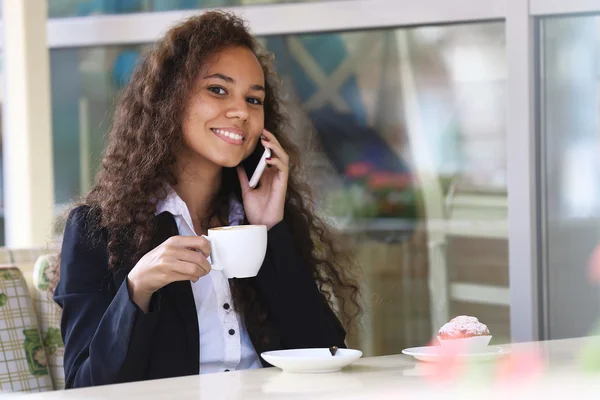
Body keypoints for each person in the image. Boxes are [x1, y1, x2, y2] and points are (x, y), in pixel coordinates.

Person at [53, 11, 361, 388]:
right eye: (218, 90)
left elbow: (325, 352)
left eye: (254, 99)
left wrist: (271, 231)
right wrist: (137, 290)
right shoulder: (94, 231)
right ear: (171, 99)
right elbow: (85, 388)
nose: (240, 112)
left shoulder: (258, 220)